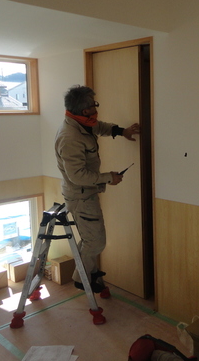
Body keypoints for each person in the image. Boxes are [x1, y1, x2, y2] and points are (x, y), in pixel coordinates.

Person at [55, 85, 140, 293]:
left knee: (92, 239)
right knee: (95, 242)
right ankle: (81, 278)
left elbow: (99, 127)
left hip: (87, 193)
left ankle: (88, 272)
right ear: (85, 110)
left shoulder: (81, 123)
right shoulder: (70, 137)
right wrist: (108, 178)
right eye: (94, 105)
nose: (96, 109)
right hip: (81, 197)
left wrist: (122, 131)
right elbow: (77, 176)